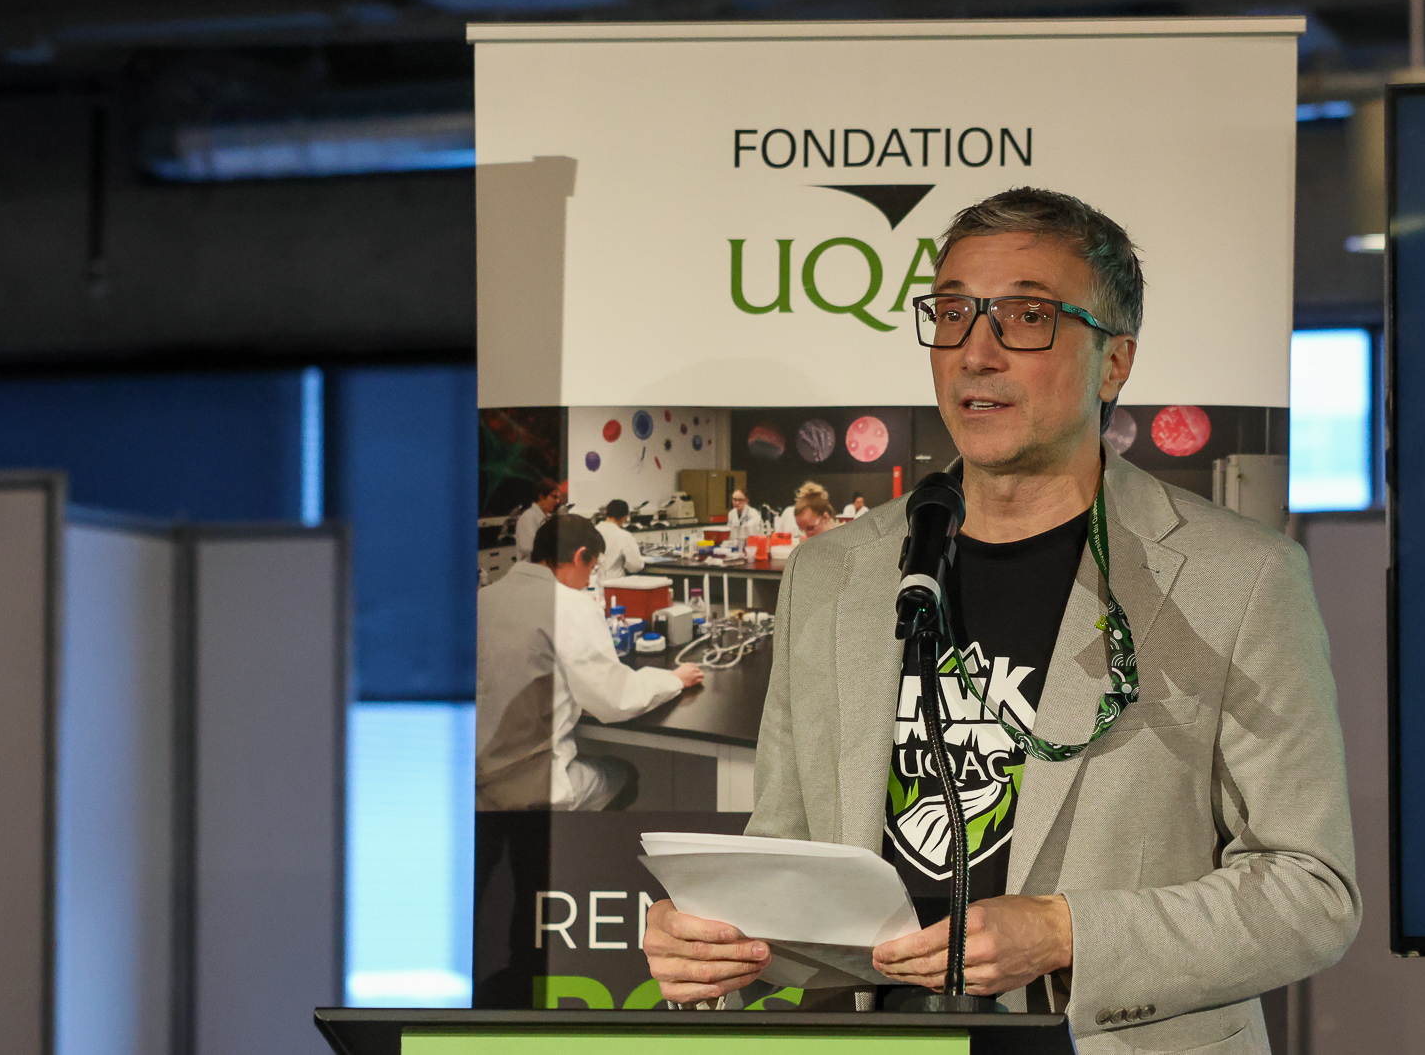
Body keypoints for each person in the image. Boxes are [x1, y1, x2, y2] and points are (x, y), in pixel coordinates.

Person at [644, 187, 1357, 1049]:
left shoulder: (1237, 577)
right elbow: (791, 865)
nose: (976, 353)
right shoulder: (835, 573)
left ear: (1115, 361)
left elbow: (1311, 889)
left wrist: (1067, 933)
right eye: (952, 314)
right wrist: (718, 938)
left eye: (1026, 317)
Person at [477, 513, 703, 810]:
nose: (588, 581)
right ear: (579, 556)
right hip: (535, 786)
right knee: (624, 775)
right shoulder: (571, 605)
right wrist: (674, 679)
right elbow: (617, 699)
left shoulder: (485, 597)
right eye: (592, 569)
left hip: (477, 780)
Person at [596, 499, 646, 582]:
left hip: (592, 583)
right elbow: (636, 565)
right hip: (614, 583)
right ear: (624, 517)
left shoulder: (592, 531)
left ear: (606, 513)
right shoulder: (624, 536)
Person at [512, 479, 562, 559]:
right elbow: (528, 547)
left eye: (559, 498)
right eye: (554, 497)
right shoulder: (528, 517)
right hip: (531, 564)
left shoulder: (549, 517)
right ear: (542, 496)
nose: (557, 501)